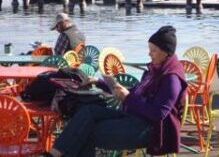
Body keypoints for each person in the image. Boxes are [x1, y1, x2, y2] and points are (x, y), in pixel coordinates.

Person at [43, 25, 187, 157]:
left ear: (166, 52)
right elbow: (134, 93)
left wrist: (127, 98)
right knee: (88, 111)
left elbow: (158, 114)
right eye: (149, 49)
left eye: (154, 50)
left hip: (150, 129)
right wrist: (100, 83)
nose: (149, 54)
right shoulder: (155, 70)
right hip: (132, 116)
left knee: (87, 132)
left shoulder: (171, 78)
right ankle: (55, 153)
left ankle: (55, 154)